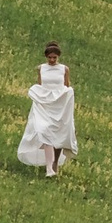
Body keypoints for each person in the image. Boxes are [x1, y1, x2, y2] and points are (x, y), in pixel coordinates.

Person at [17, 42, 79, 176]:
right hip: (45, 105)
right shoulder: (41, 68)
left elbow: (67, 86)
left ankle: (55, 162)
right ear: (46, 57)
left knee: (59, 133)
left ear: (58, 57)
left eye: (54, 58)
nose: (52, 60)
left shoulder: (64, 69)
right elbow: (40, 84)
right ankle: (49, 168)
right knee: (44, 131)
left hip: (59, 105)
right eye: (50, 57)